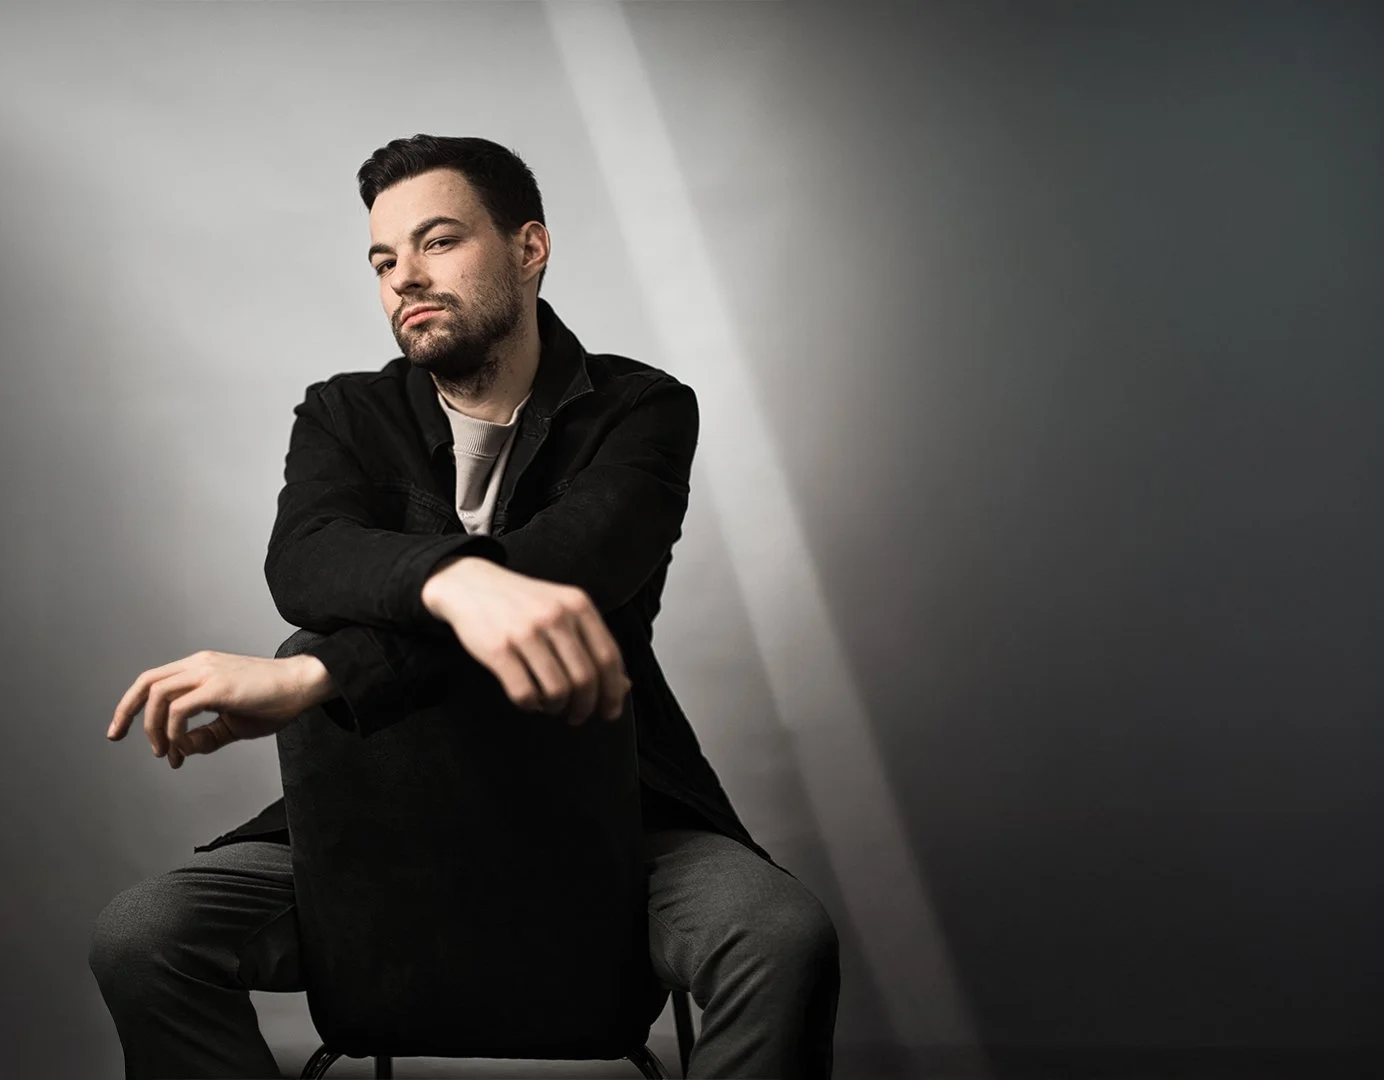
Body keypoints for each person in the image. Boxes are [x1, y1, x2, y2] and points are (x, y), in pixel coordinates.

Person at [90, 134, 840, 1078]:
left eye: (438, 241)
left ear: (530, 247)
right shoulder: (344, 414)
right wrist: (464, 581)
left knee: (782, 938)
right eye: (382, 260)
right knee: (142, 938)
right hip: (373, 813)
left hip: (616, 808)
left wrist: (321, 672)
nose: (405, 276)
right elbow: (307, 561)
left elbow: (576, 570)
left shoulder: (642, 407)